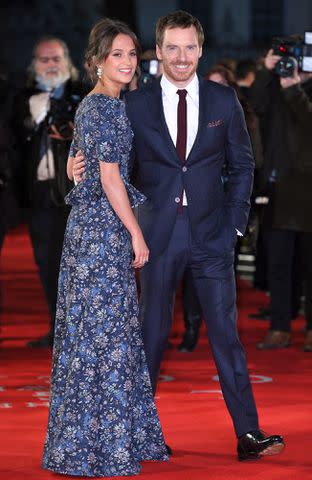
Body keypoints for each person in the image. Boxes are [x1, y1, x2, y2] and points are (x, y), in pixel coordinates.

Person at [73, 10, 284, 461]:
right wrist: (78, 169)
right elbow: (110, 165)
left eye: (190, 47)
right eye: (173, 47)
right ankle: (141, 436)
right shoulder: (134, 104)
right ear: (160, 50)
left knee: (226, 335)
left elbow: (243, 166)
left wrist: (234, 225)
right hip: (155, 237)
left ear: (201, 49)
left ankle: (248, 433)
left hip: (213, 236)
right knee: (150, 335)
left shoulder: (224, 100)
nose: (182, 57)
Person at [42, 19, 168, 477]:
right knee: (105, 335)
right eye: (117, 54)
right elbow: (112, 179)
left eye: (132, 54)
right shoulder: (104, 108)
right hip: (101, 233)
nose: (128, 61)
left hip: (90, 229)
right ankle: (98, 445)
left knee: (100, 334)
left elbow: (87, 168)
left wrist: (78, 172)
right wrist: (136, 232)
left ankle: (93, 439)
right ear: (96, 60)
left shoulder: (103, 104)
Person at [12, 37, 85, 347]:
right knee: (46, 261)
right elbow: (14, 141)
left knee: (78, 263)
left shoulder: (81, 95)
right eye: (45, 60)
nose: (51, 65)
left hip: (74, 195)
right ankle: (57, 327)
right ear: (34, 65)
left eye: (56, 58)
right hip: (40, 194)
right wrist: (34, 120)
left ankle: (80, 329)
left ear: (66, 60)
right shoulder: (23, 99)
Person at [248, 46, 312, 351]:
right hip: (279, 187)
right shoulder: (275, 84)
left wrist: (295, 90)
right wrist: (266, 69)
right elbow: (255, 104)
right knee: (279, 264)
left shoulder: (295, 90)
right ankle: (279, 327)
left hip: (309, 189)